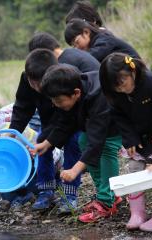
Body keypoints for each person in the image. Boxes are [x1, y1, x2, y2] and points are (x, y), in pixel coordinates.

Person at [11, 33, 100, 212]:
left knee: (73, 143)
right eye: (32, 82)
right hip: (48, 120)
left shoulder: (64, 76)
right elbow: (22, 107)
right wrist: (12, 133)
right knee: (42, 143)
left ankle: (70, 194)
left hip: (71, 119)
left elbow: (74, 112)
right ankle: (46, 191)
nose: (36, 87)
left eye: (40, 83)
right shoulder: (27, 79)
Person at [32, 64, 122, 223]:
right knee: (82, 140)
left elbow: (97, 142)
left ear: (76, 93)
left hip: (120, 123)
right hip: (98, 127)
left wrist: (74, 170)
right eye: (52, 100)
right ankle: (108, 195)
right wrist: (46, 143)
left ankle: (106, 202)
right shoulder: (70, 91)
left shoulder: (97, 94)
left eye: (58, 100)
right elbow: (65, 122)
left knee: (106, 148)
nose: (55, 104)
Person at [99, 52, 152, 231]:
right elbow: (118, 117)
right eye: (115, 87)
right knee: (134, 166)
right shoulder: (116, 94)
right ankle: (137, 212)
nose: (121, 89)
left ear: (132, 71)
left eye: (123, 82)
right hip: (139, 137)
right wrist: (130, 139)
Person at [65, 18, 140, 62]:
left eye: (77, 42)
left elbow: (91, 57)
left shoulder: (104, 38)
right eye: (74, 46)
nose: (77, 48)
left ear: (86, 32)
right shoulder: (96, 41)